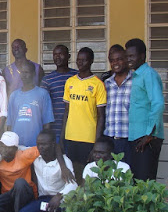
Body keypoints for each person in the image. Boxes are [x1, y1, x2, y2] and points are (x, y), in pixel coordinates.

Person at [18, 130, 77, 212]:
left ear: (53, 144)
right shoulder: (35, 158)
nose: (41, 147)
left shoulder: (65, 162)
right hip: (44, 201)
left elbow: (73, 185)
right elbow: (16, 148)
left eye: (44, 144)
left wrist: (59, 196)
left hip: (61, 202)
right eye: (39, 144)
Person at [61, 47, 107, 182]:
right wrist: (62, 137)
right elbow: (66, 112)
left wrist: (96, 142)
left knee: (87, 174)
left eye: (84, 60)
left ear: (91, 61)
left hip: (88, 138)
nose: (80, 63)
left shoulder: (98, 84)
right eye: (78, 60)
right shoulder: (70, 82)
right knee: (72, 172)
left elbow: (101, 116)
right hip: (71, 137)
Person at [125, 38, 164, 181]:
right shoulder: (136, 75)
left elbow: (158, 103)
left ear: (142, 56)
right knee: (137, 181)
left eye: (132, 56)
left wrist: (149, 134)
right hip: (137, 136)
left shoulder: (149, 74)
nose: (128, 59)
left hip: (146, 138)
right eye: (127, 56)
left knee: (145, 182)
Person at [7, 61, 54, 146]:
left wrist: (43, 144)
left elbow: (47, 124)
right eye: (21, 72)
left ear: (33, 74)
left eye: (27, 72)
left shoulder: (42, 94)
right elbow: (9, 124)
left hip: (36, 145)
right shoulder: (14, 95)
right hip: (17, 145)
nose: (23, 75)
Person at [40, 45, 77, 143]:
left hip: (74, 129)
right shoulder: (47, 80)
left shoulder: (77, 77)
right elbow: (43, 107)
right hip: (54, 129)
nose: (57, 57)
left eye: (60, 54)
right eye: (55, 54)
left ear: (68, 56)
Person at [103, 45, 132, 165]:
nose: (115, 63)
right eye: (112, 60)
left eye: (119, 59)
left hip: (129, 139)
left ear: (126, 59)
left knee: (129, 176)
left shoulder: (136, 81)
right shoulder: (106, 83)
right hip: (109, 139)